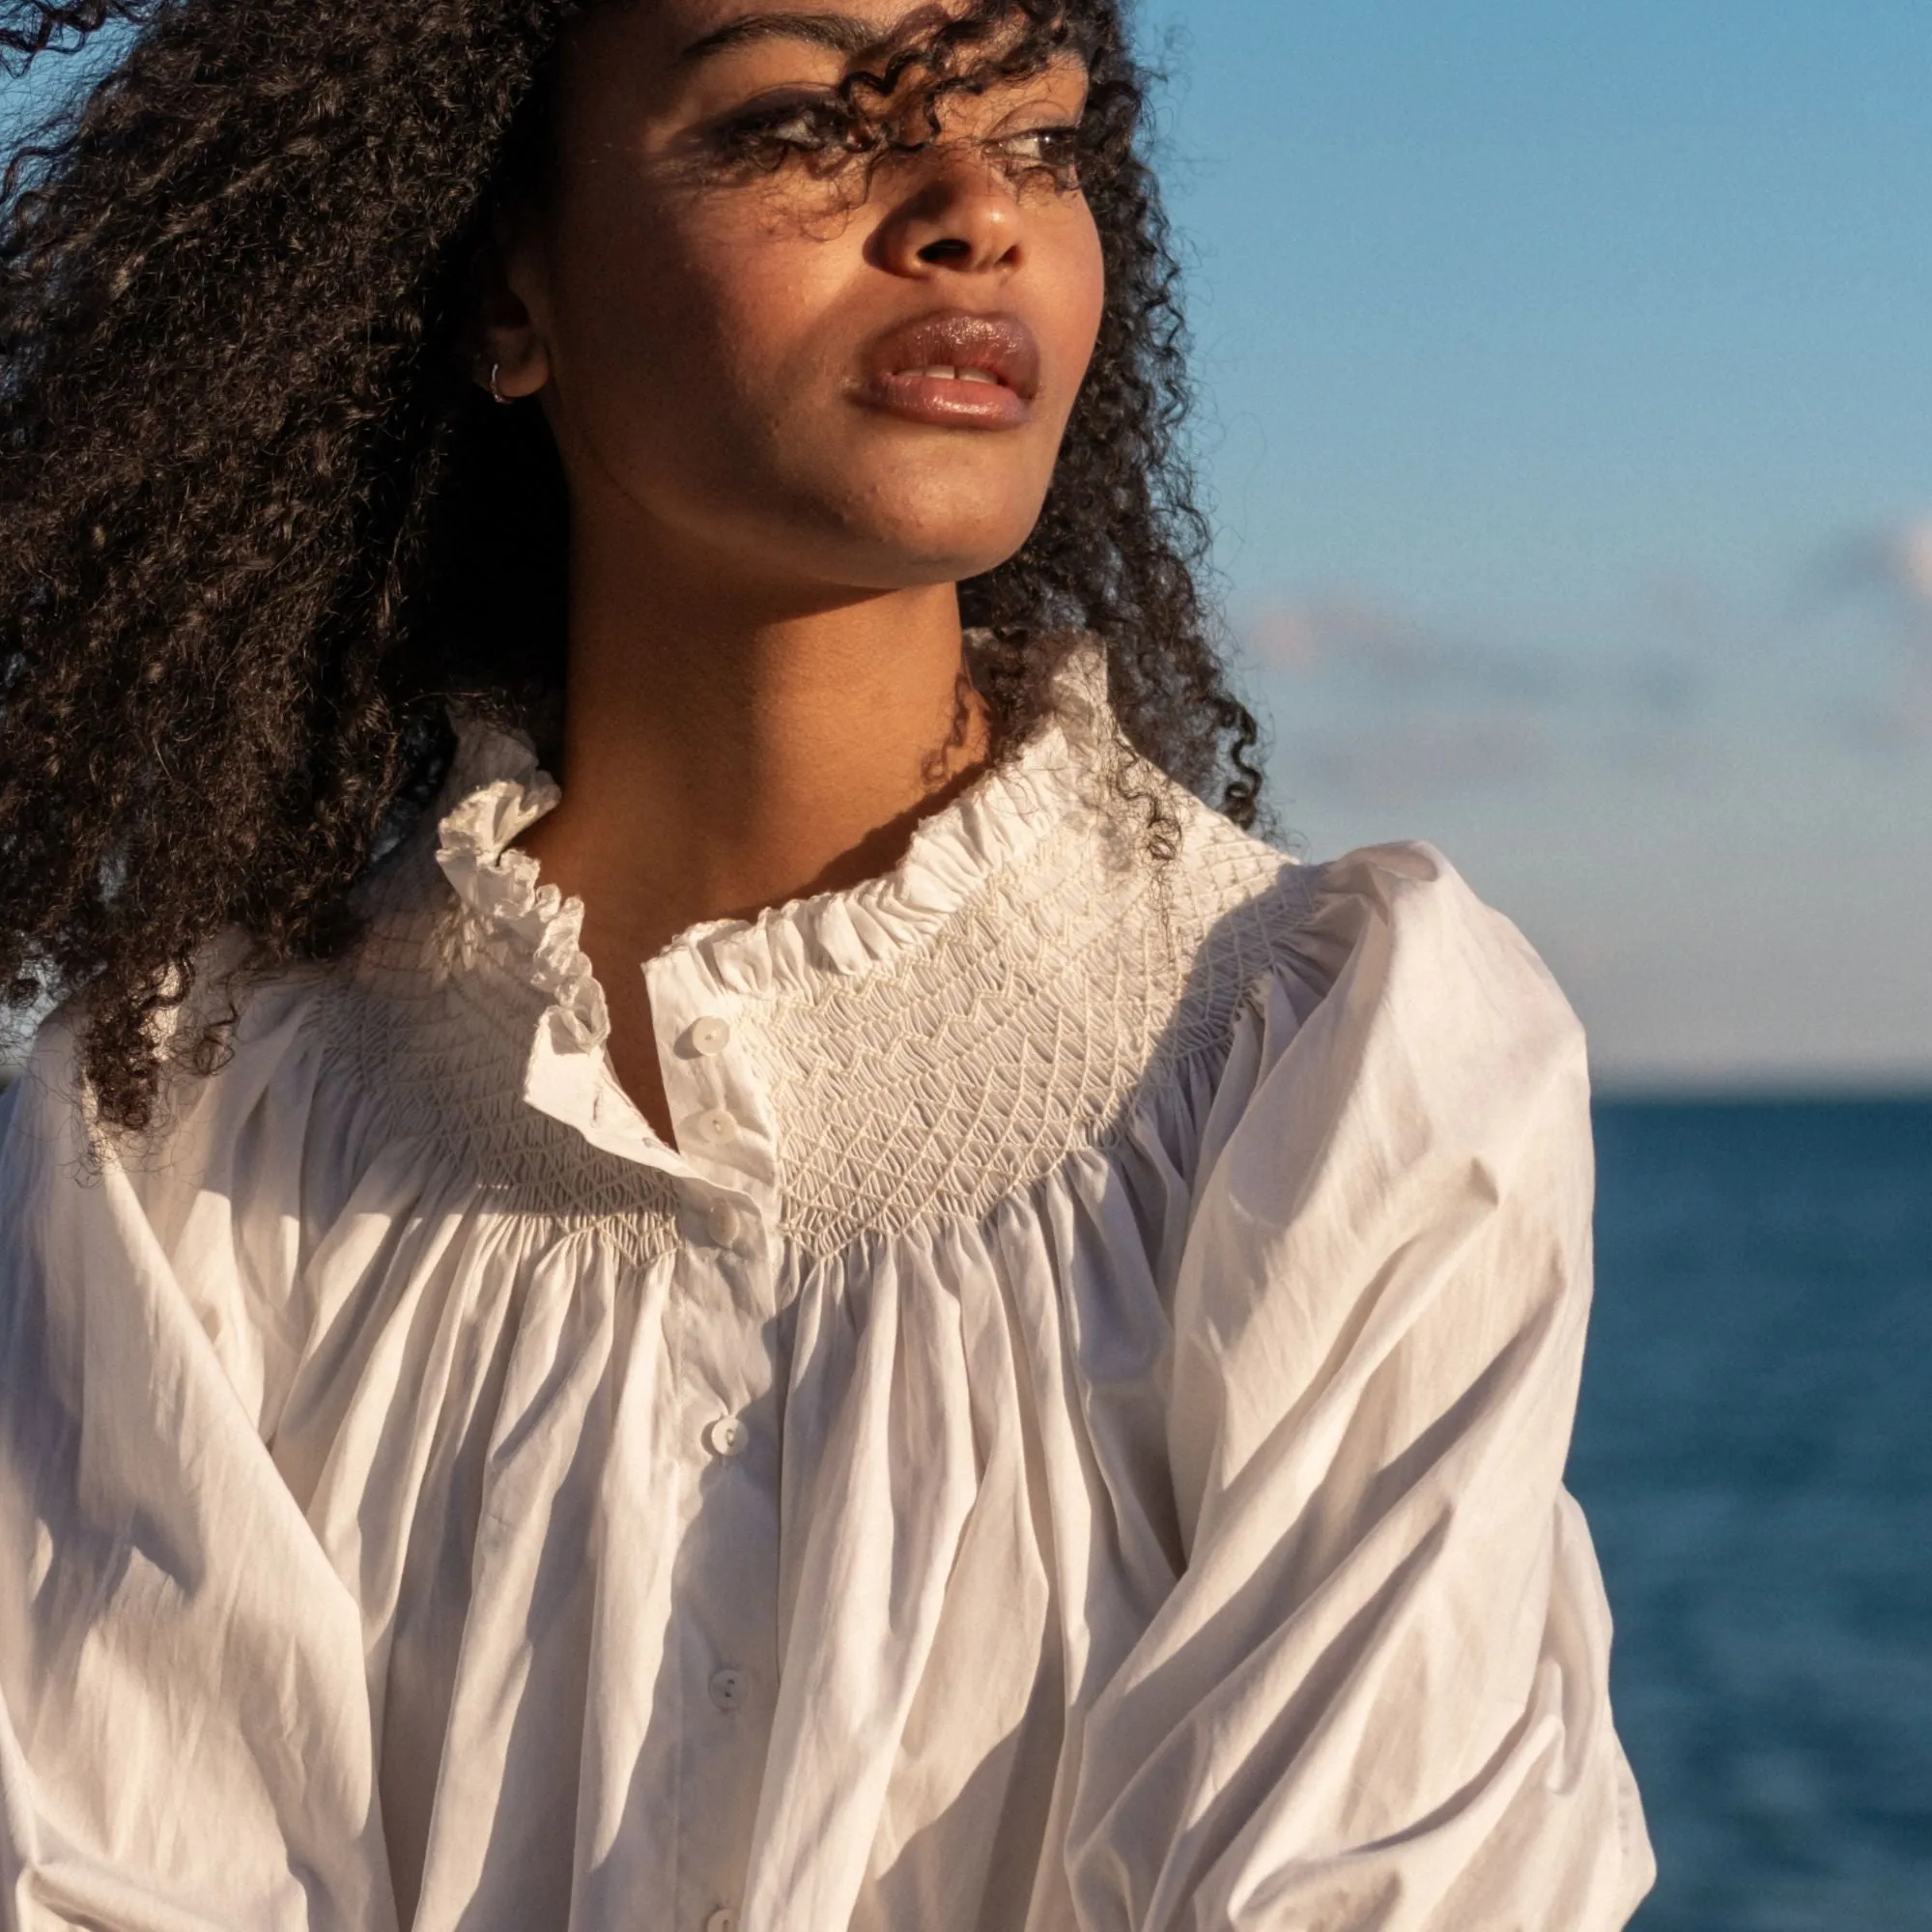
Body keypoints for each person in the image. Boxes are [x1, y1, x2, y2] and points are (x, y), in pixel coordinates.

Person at [0, 0, 1656, 1925]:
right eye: (805, 122)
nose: (973, 207)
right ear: (500, 283)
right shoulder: (195, 1130)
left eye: (1036, 136)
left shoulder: (1321, 1063)